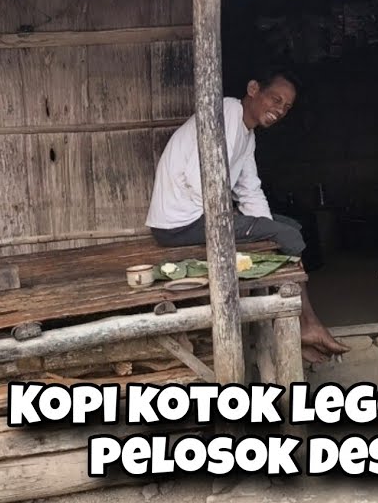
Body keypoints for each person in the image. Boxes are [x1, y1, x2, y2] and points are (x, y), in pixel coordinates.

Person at [145, 69, 350, 364]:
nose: (279, 110)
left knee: (289, 228)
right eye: (275, 99)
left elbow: (250, 190)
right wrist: (259, 228)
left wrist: (270, 227)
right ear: (254, 89)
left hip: (201, 217)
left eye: (286, 107)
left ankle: (299, 323)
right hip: (180, 224)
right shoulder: (226, 114)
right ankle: (308, 324)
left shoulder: (246, 133)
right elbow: (196, 180)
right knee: (287, 235)